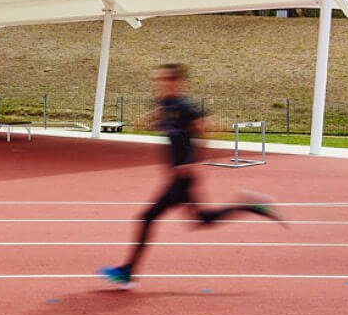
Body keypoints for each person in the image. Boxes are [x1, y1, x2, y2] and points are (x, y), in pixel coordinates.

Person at [100, 63, 279, 288]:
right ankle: (249, 206)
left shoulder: (185, 107)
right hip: (178, 178)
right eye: (157, 80)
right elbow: (161, 118)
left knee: (147, 217)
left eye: (163, 80)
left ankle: (127, 272)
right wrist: (148, 121)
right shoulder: (165, 104)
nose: (158, 84)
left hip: (183, 178)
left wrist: (193, 161)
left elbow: (208, 130)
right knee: (202, 220)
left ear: (176, 83)